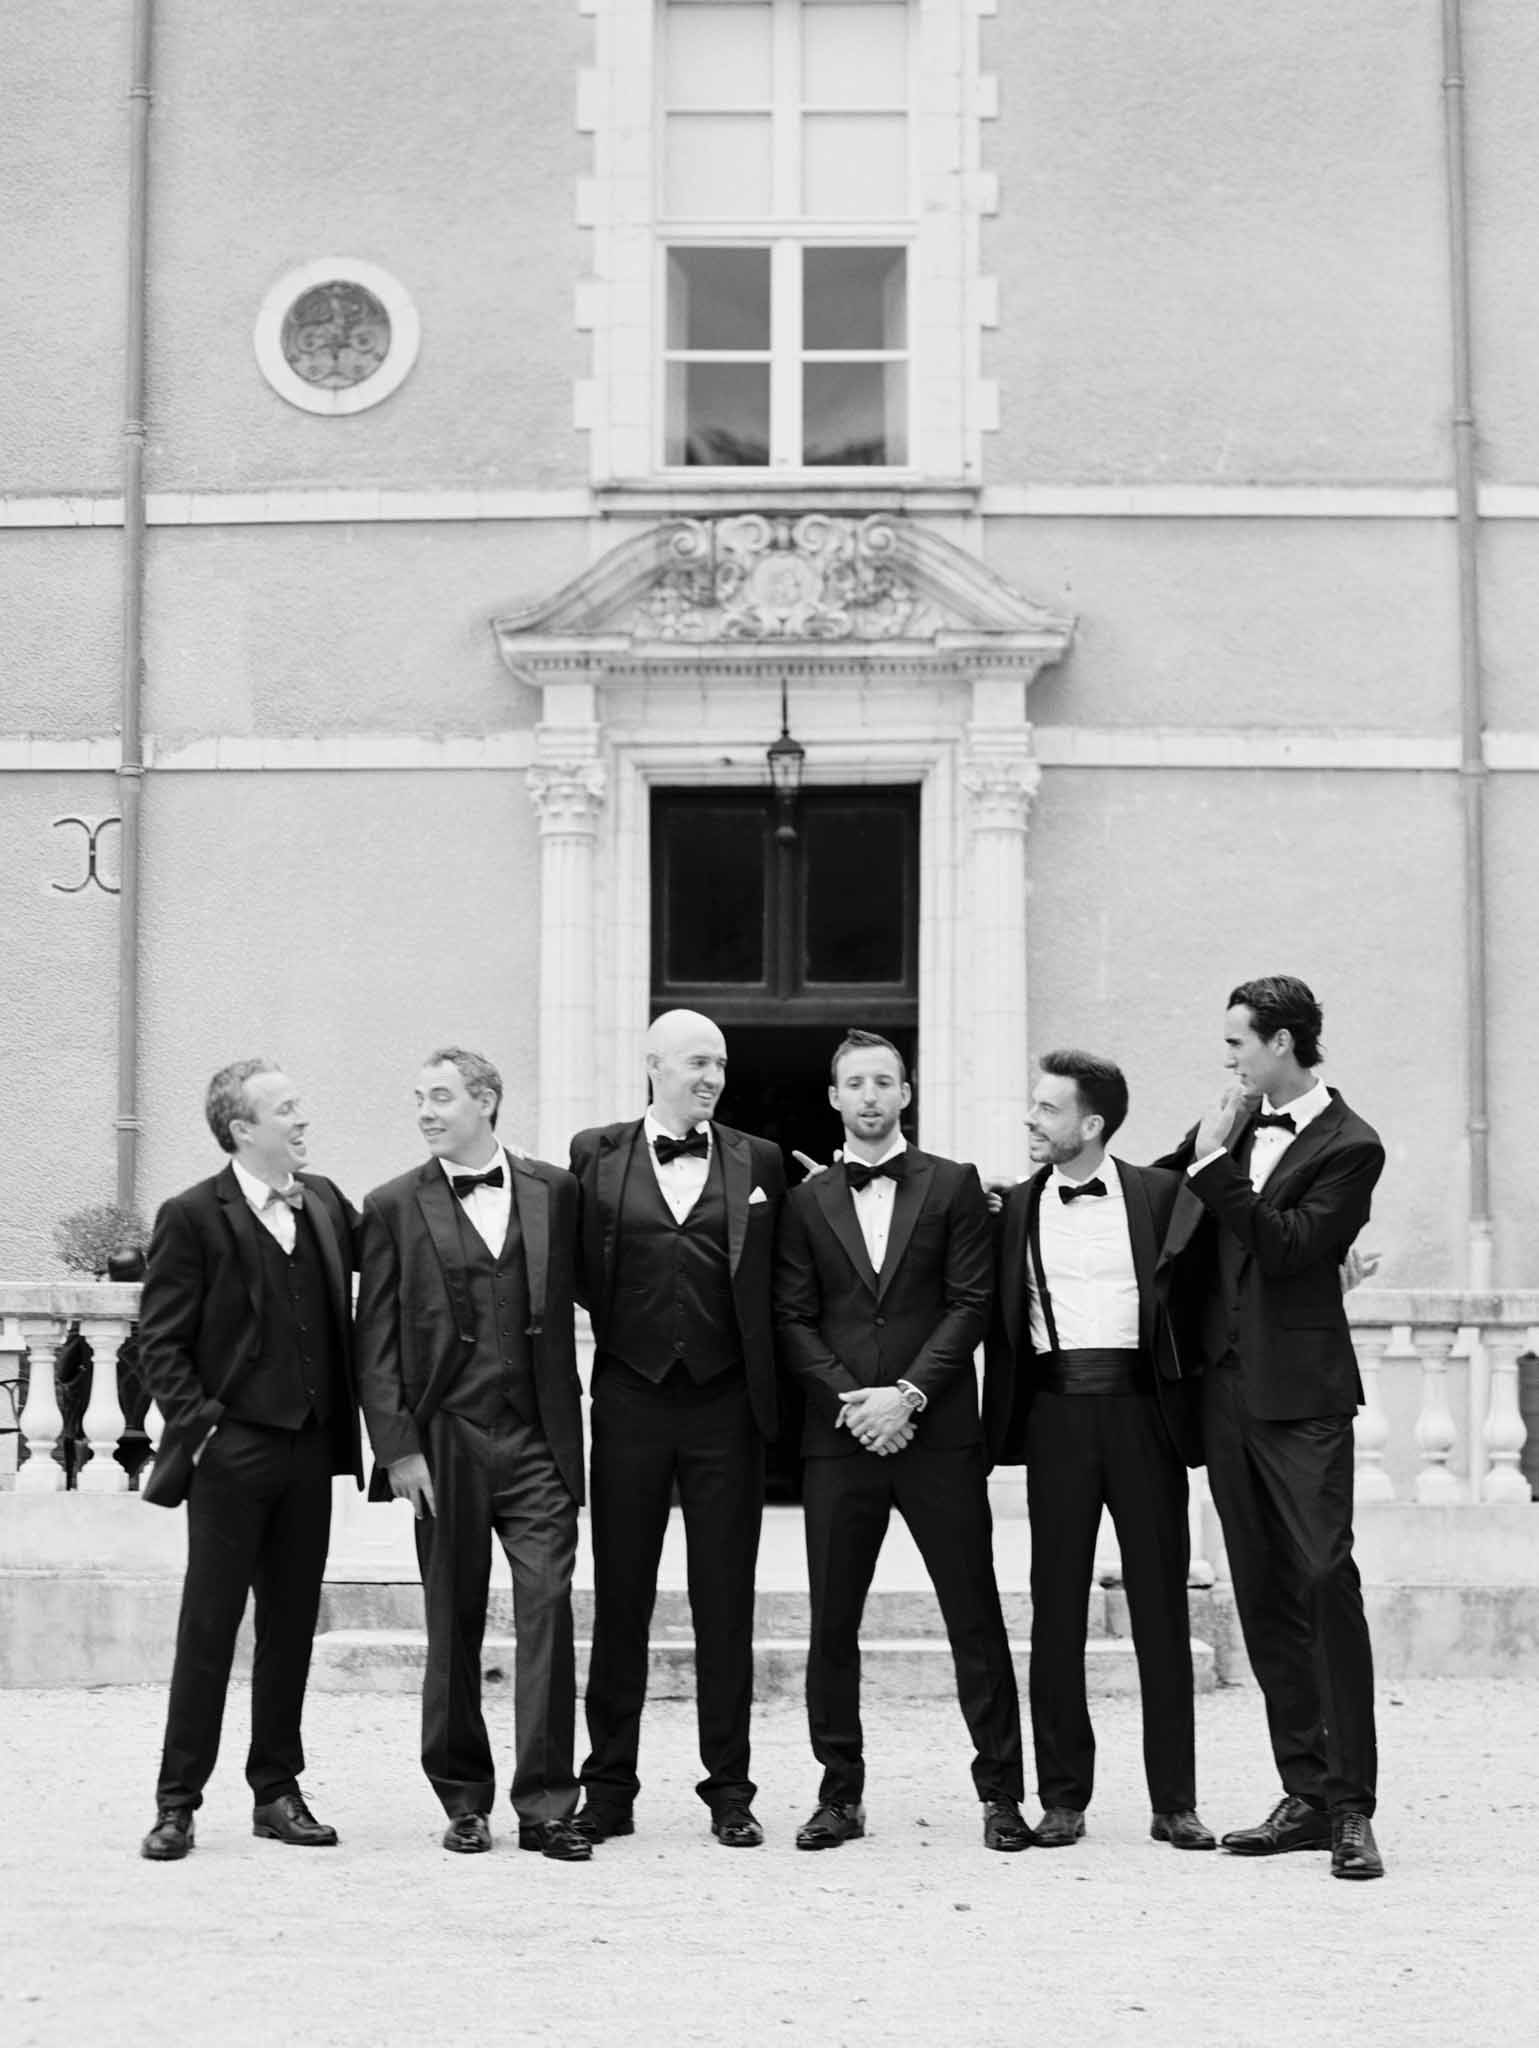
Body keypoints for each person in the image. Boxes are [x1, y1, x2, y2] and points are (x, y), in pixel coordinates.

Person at [775, 1029, 1031, 1853]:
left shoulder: (952, 1185)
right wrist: (854, 1402)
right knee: (832, 1624)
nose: (870, 1097)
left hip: (938, 1435)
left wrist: (909, 1395)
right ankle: (838, 1796)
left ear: (906, 1093)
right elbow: (791, 1315)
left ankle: (1000, 1796)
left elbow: (971, 1303)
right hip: (841, 1435)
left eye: (884, 1082)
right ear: (833, 1098)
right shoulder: (804, 1200)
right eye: (855, 1083)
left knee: (973, 1616)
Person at [1157, 976, 1386, 1880]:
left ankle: (1354, 1808)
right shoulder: (1228, 1124)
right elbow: (1153, 1197)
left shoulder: (1351, 1144)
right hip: (1219, 1394)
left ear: (1282, 1043)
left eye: (1238, 1044)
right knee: (1259, 1592)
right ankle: (1304, 1792)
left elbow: (1291, 1247)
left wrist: (1216, 1167)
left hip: (1303, 1397)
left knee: (1325, 1577)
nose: (1229, 1060)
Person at [354, 1048, 589, 1861]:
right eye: (418, 1097)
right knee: (451, 1621)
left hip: (537, 1440)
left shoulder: (554, 1191)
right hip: (445, 1440)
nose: (424, 1111)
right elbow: (374, 1340)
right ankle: (463, 1800)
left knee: (548, 1611)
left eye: (441, 1097)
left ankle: (548, 1804)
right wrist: (399, 1453)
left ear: (485, 1101)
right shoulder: (390, 1204)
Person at [984, 1050, 1211, 1852]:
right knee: (1055, 1611)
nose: (1030, 1120)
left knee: (1159, 1609)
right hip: (1053, 1417)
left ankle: (1174, 1801)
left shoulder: (1159, 1194)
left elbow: (1216, 1277)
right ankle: (1063, 1798)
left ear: (1090, 1124)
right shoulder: (1010, 1207)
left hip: (1144, 1416)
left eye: (1046, 1110)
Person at [569, 1009, 785, 1847]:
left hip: (726, 1407)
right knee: (621, 1597)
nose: (713, 1078)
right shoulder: (595, 1153)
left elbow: (782, 1272)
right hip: (628, 1399)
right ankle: (609, 1788)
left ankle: (729, 1788)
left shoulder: (758, 1160)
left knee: (724, 1602)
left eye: (721, 1066)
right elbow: (576, 1266)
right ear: (652, 1064)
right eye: (697, 1062)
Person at [138, 1059, 362, 1861]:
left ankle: (276, 1789)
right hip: (232, 1454)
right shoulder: (193, 1215)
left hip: (311, 1450)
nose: (303, 1120)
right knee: (209, 1624)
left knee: (292, 1626)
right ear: (242, 1129)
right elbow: (158, 1341)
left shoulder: (329, 1201)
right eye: (287, 1109)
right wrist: (203, 1429)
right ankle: (176, 1803)